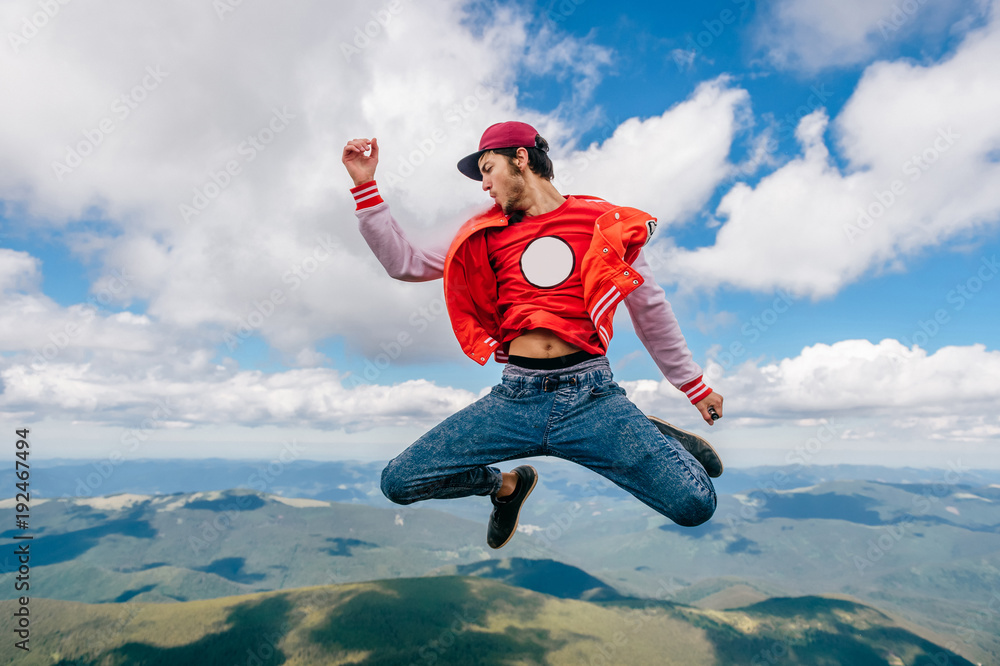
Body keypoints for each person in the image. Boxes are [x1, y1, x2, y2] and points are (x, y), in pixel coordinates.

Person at [342, 121, 724, 549]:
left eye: (489, 169)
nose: (484, 185)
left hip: (591, 398)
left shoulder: (604, 223)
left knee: (695, 506)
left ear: (520, 158)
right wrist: (365, 187)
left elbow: (649, 307)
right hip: (516, 397)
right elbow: (405, 263)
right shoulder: (484, 233)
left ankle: (652, 435)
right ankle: (505, 488)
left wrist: (694, 386)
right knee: (399, 482)